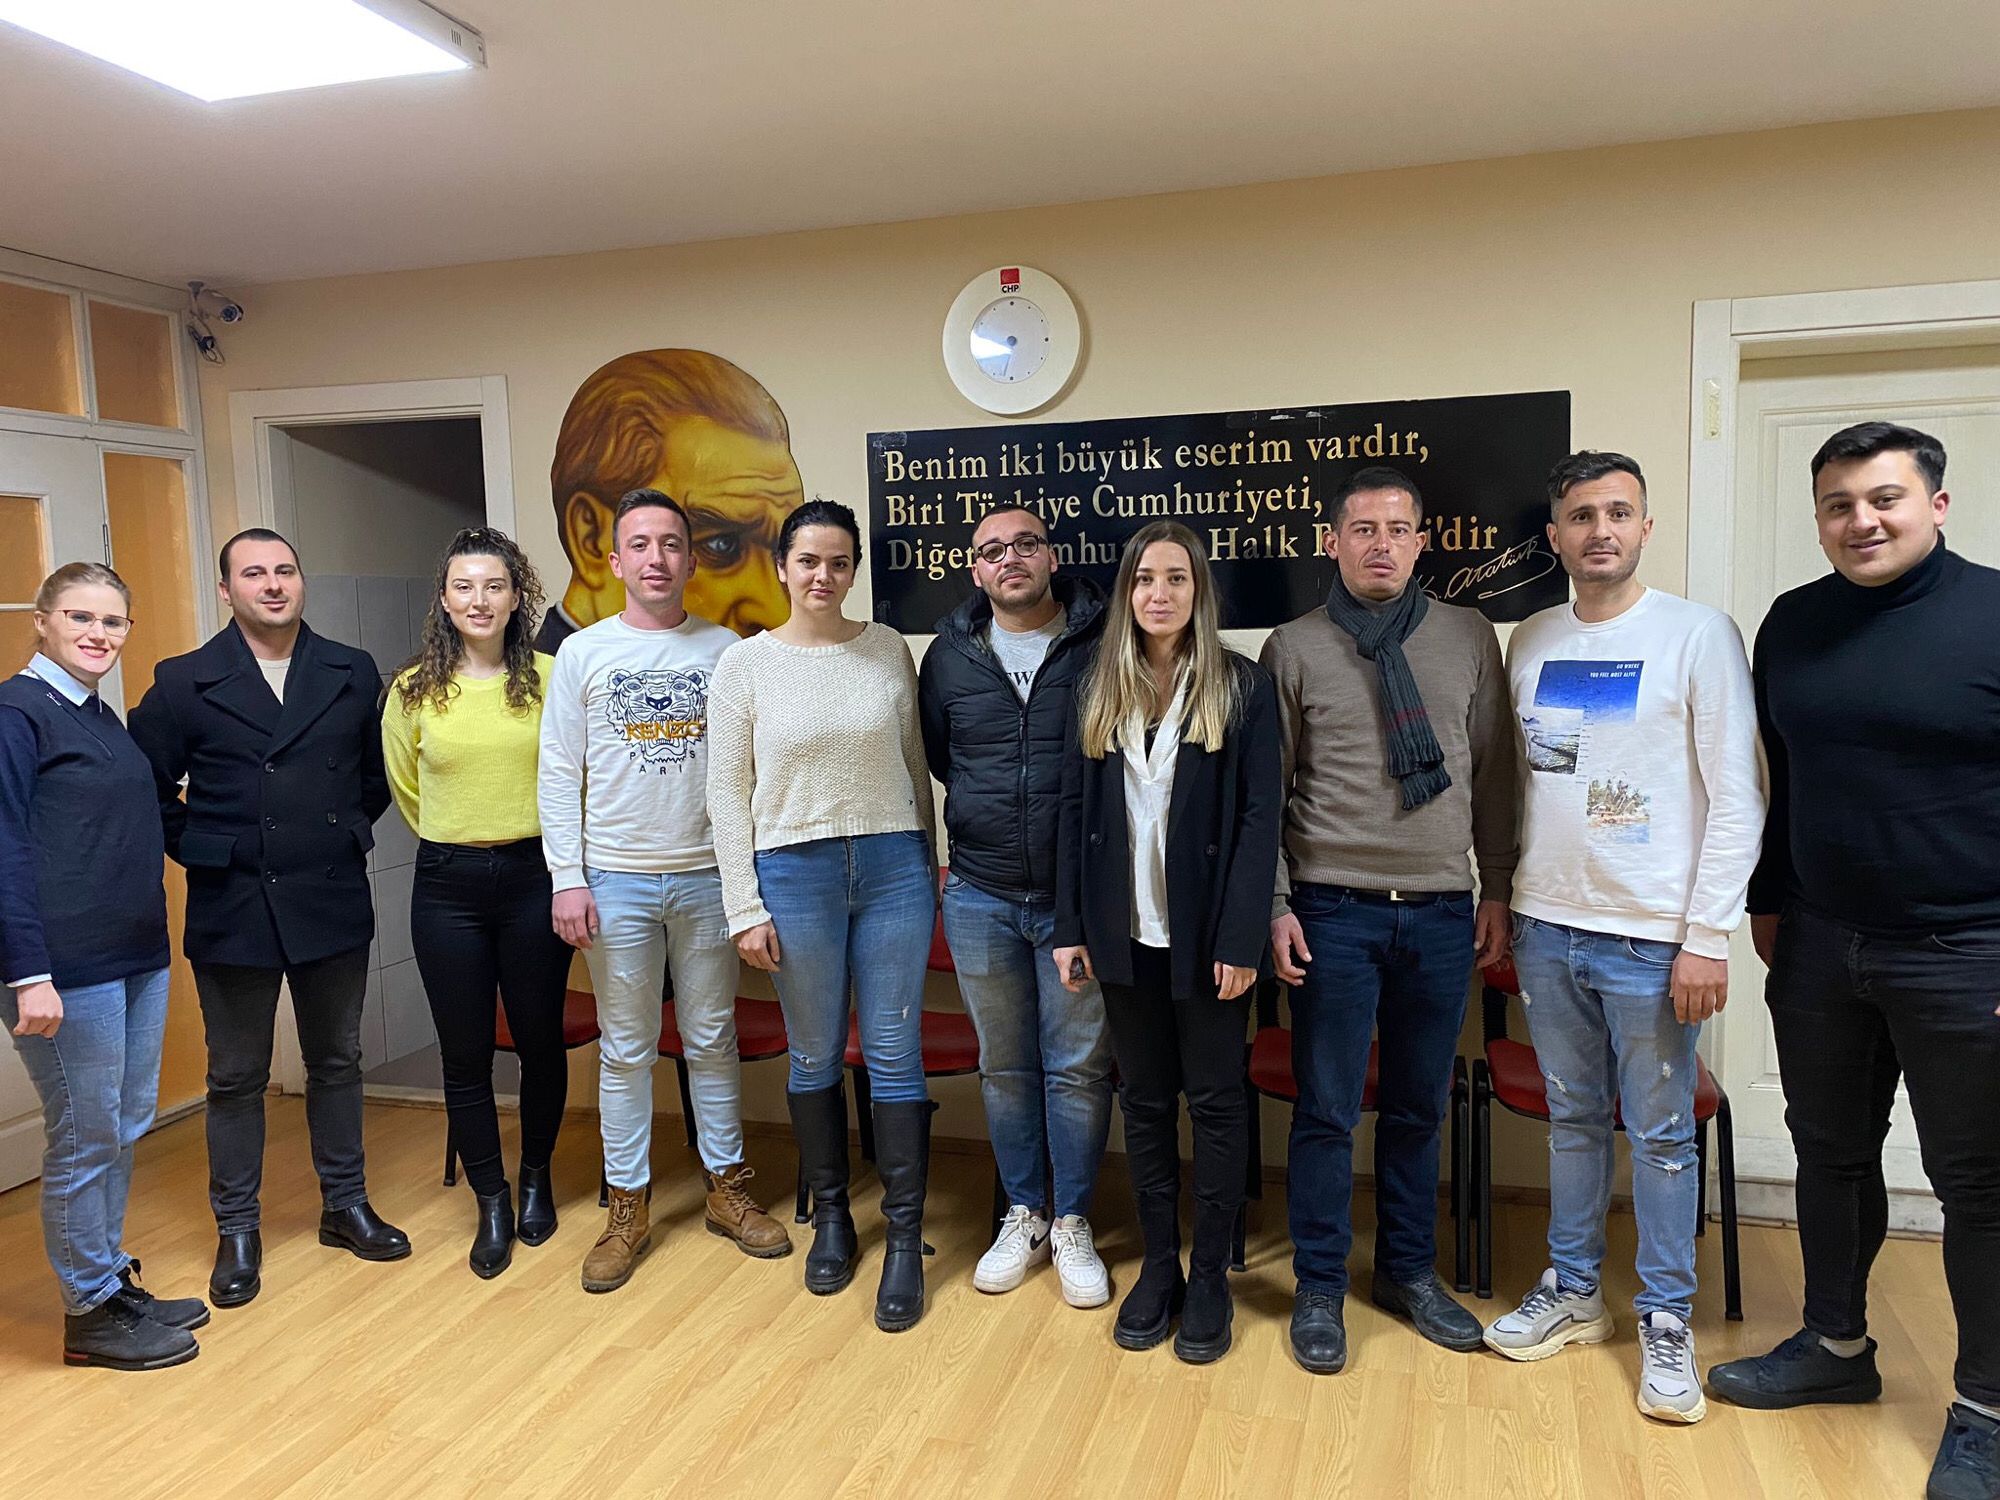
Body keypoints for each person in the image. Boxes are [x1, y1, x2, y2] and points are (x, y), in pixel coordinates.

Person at [1708, 422, 2000, 1499]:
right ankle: (1834, 1346)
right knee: (1828, 1153)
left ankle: (1986, 1408)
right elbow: (1780, 775)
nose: (1860, 521)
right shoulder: (1795, 622)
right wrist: (1767, 900)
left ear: (1936, 504)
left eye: (1883, 498)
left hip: (1969, 948)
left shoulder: (1990, 614)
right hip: (1823, 941)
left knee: (1978, 1184)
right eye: (1838, 504)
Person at [1482, 451, 1763, 1427]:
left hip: (1650, 938)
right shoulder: (1531, 637)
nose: (1598, 529)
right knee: (1570, 1119)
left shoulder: (1697, 635)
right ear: (1553, 536)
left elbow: (1737, 792)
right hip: (1546, 923)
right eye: (1579, 515)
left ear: (1644, 526)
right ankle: (1572, 1290)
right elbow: (1534, 777)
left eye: (1617, 512)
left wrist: (1707, 935)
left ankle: (1664, 1315)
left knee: (1660, 1134)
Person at [1261, 466, 1519, 1375]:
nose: (1380, 544)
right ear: (1332, 542)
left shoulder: (1468, 634)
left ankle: (1408, 1272)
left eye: (1397, 529)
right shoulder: (1294, 646)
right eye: (1362, 529)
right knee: (1328, 1110)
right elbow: (1268, 793)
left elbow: (1494, 771)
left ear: (1421, 542)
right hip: (1332, 909)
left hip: (1443, 910)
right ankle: (1320, 1285)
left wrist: (1496, 887)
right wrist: (1278, 905)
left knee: (1417, 1107)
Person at [129, 528, 408, 1310]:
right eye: (254, 573)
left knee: (337, 1059)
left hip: (329, 892)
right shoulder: (184, 680)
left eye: (285, 570)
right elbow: (145, 784)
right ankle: (238, 1229)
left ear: (301, 581)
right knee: (236, 1076)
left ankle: (344, 1205)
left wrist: (342, 833)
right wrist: (205, 848)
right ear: (227, 591)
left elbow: (374, 777)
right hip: (234, 902)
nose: (273, 584)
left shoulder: (350, 670)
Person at [539, 489, 791, 1295]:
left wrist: (747, 882)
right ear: (615, 561)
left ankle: (726, 1189)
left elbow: (752, 771)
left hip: (708, 877)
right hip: (614, 879)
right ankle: (627, 1207)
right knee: (625, 1049)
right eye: (641, 545)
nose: (657, 558)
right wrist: (568, 878)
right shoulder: (583, 654)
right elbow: (558, 772)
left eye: (672, 544)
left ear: (688, 559)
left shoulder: (726, 651)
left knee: (712, 1039)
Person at [707, 499, 940, 1332]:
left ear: (853, 571)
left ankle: (905, 1239)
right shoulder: (745, 665)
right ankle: (834, 1217)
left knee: (895, 1054)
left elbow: (914, 765)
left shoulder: (887, 650)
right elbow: (726, 793)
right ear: (782, 566)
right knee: (813, 1053)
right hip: (792, 872)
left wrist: (927, 861)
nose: (823, 576)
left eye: (839, 562)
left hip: (893, 868)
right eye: (808, 560)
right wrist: (744, 905)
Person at [1054, 520, 1281, 1365]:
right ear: (1127, 591)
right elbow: (1073, 811)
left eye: (1176, 578)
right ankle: (1160, 1266)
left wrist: (1242, 938)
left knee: (1216, 1104)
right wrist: (1070, 928)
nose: (1159, 593)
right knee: (1145, 1103)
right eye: (1145, 578)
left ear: (1198, 591)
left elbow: (1259, 820)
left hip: (1208, 941)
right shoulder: (1095, 684)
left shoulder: (1241, 686)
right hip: (1123, 936)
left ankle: (1211, 1274)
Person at [1, 564, 210, 1369]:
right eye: (80, 617)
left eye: (113, 621)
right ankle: (88, 1312)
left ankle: (107, 1278)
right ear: (42, 620)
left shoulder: (96, 714)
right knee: (85, 1134)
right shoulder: (17, 714)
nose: (98, 634)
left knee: (121, 1124)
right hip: (65, 965)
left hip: (133, 955)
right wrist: (27, 973)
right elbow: (5, 849)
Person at [919, 504, 1113, 1307]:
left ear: (1051, 556)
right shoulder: (949, 656)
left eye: (1025, 544)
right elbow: (943, 759)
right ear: (977, 570)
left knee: (1077, 1069)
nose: (1010, 559)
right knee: (1003, 1067)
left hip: (1078, 899)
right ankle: (1024, 1213)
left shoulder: (1104, 641)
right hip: (981, 893)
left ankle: (1073, 1222)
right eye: (992, 550)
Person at [382, 528, 573, 1279]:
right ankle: (491, 1198)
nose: (479, 600)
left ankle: (536, 1179)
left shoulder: (553, 678)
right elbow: (408, 790)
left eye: (494, 585)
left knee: (539, 1042)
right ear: (444, 599)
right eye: (464, 586)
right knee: (463, 1054)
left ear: (517, 596)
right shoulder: (411, 691)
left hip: (535, 879)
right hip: (447, 886)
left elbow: (577, 777)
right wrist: (462, 834)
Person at [536, 349, 805, 649]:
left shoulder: (724, 652)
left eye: (780, 553)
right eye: (721, 545)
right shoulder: (553, 671)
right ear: (590, 538)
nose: (777, 612)